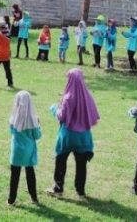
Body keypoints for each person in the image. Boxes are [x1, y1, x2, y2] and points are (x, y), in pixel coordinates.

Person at [47, 69, 99, 198]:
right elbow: (92, 114)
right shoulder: (87, 95)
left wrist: (54, 109)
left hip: (68, 135)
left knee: (61, 160)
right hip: (83, 137)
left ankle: (58, 188)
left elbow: (61, 116)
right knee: (81, 164)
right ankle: (80, 190)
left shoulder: (68, 97)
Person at [8, 91, 41, 205]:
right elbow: (37, 136)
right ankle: (34, 198)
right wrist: (39, 125)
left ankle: (11, 199)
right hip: (29, 151)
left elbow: (11, 132)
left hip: (16, 151)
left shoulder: (13, 119)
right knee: (30, 174)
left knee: (14, 176)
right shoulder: (33, 120)